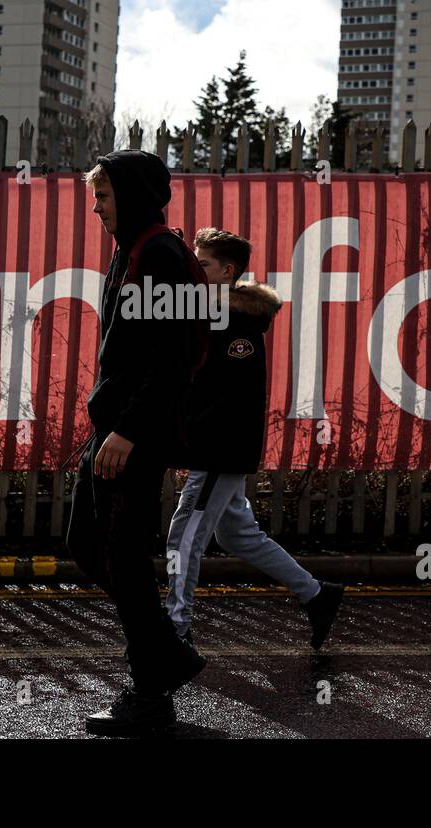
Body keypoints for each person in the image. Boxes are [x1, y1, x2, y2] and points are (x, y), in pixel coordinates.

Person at [67, 149, 210, 737]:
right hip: (117, 425)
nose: (97, 208)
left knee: (121, 556)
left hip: (134, 432)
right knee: (90, 545)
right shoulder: (135, 250)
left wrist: (127, 429)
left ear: (130, 194)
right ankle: (167, 657)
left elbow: (171, 358)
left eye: (103, 196)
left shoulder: (159, 255)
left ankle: (151, 692)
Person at [166, 228, 344, 650]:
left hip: (219, 449)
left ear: (227, 272)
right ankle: (317, 595)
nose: (195, 269)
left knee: (185, 534)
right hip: (217, 446)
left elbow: (227, 398)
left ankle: (174, 628)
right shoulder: (212, 313)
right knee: (236, 536)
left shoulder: (236, 324)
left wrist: (190, 435)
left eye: (203, 264)